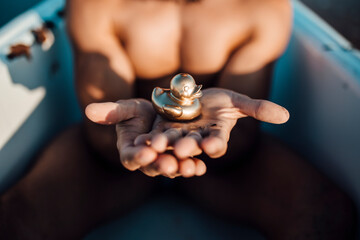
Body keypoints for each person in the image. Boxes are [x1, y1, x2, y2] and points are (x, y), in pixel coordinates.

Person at [0, 0, 356, 239]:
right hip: (111, 160)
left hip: (223, 166)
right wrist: (147, 143)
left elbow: (242, 138)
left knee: (327, 216)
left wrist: (200, 145)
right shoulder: (100, 4)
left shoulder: (260, 7)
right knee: (16, 220)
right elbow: (101, 133)